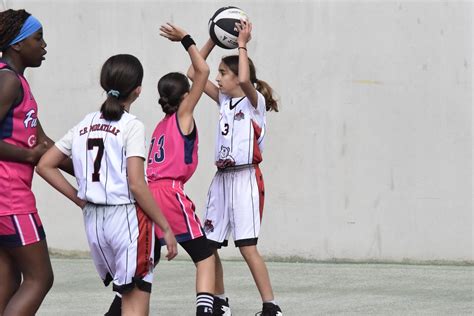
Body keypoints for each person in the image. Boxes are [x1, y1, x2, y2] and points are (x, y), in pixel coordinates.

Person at [36, 54, 178, 316]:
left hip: (94, 224)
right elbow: (136, 184)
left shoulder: (84, 123)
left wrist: (80, 199)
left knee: (123, 297)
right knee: (135, 305)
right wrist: (165, 226)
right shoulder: (131, 126)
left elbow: (45, 164)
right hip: (125, 218)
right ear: (138, 90)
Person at [187, 20, 282, 316]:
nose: (216, 78)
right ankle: (220, 301)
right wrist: (214, 39)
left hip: (245, 178)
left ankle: (271, 307)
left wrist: (241, 44)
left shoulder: (255, 103)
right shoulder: (224, 101)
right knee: (209, 246)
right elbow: (193, 72)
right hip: (222, 179)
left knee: (246, 246)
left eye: (221, 74)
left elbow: (243, 81)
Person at [0, 9, 74, 315]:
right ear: (17, 44)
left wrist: (90, 171)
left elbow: (44, 145)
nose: (44, 45)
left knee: (7, 280)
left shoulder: (17, 82)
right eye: (38, 38)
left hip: (6, 200)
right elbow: (34, 151)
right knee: (39, 278)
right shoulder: (8, 81)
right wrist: (26, 156)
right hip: (10, 199)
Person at [146, 23, 215, 316]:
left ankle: (118, 308)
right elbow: (202, 73)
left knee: (147, 261)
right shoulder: (183, 116)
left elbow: (195, 73)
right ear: (185, 97)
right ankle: (206, 311)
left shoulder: (160, 126)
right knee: (205, 256)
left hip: (147, 194)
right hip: (169, 193)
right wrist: (186, 40)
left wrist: (212, 40)